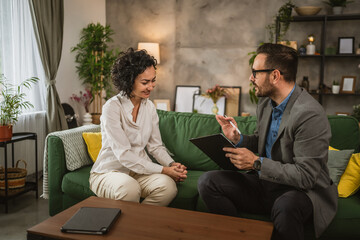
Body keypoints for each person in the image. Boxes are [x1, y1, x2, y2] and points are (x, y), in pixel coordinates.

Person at [198, 43, 337, 240]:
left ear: (275, 76)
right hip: (266, 183)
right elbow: (262, 143)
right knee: (208, 182)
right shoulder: (266, 102)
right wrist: (238, 138)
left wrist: (256, 162)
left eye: (255, 72)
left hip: (301, 191)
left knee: (286, 206)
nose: (250, 78)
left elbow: (306, 176)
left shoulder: (309, 114)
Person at [90, 48, 187, 207]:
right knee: (129, 188)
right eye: (145, 82)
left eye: (153, 80)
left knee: (168, 187)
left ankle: (138, 224)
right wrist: (163, 170)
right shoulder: (112, 108)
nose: (151, 86)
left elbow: (155, 147)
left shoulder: (149, 108)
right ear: (129, 81)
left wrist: (171, 165)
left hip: (138, 173)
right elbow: (124, 155)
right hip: (108, 172)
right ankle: (130, 228)